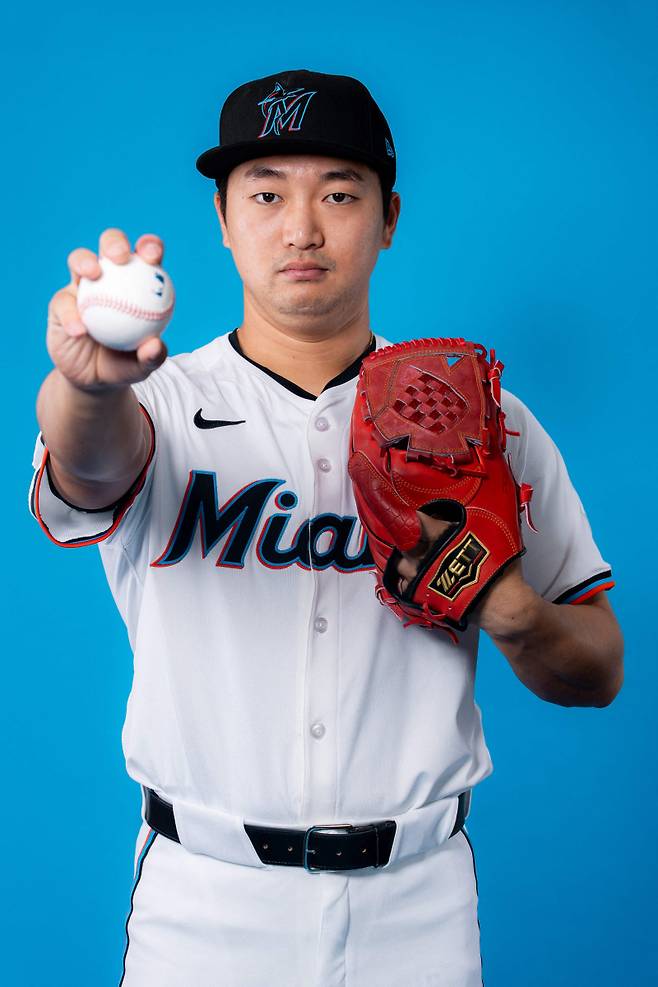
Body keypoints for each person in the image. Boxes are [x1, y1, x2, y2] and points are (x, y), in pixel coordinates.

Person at [29, 69, 624, 987]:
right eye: (266, 193)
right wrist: (85, 383)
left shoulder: (481, 416)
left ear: (388, 218)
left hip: (417, 909)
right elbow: (93, 461)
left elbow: (599, 666)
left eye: (338, 194)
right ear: (223, 219)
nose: (301, 226)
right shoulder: (157, 402)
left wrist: (517, 615)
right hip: (206, 910)